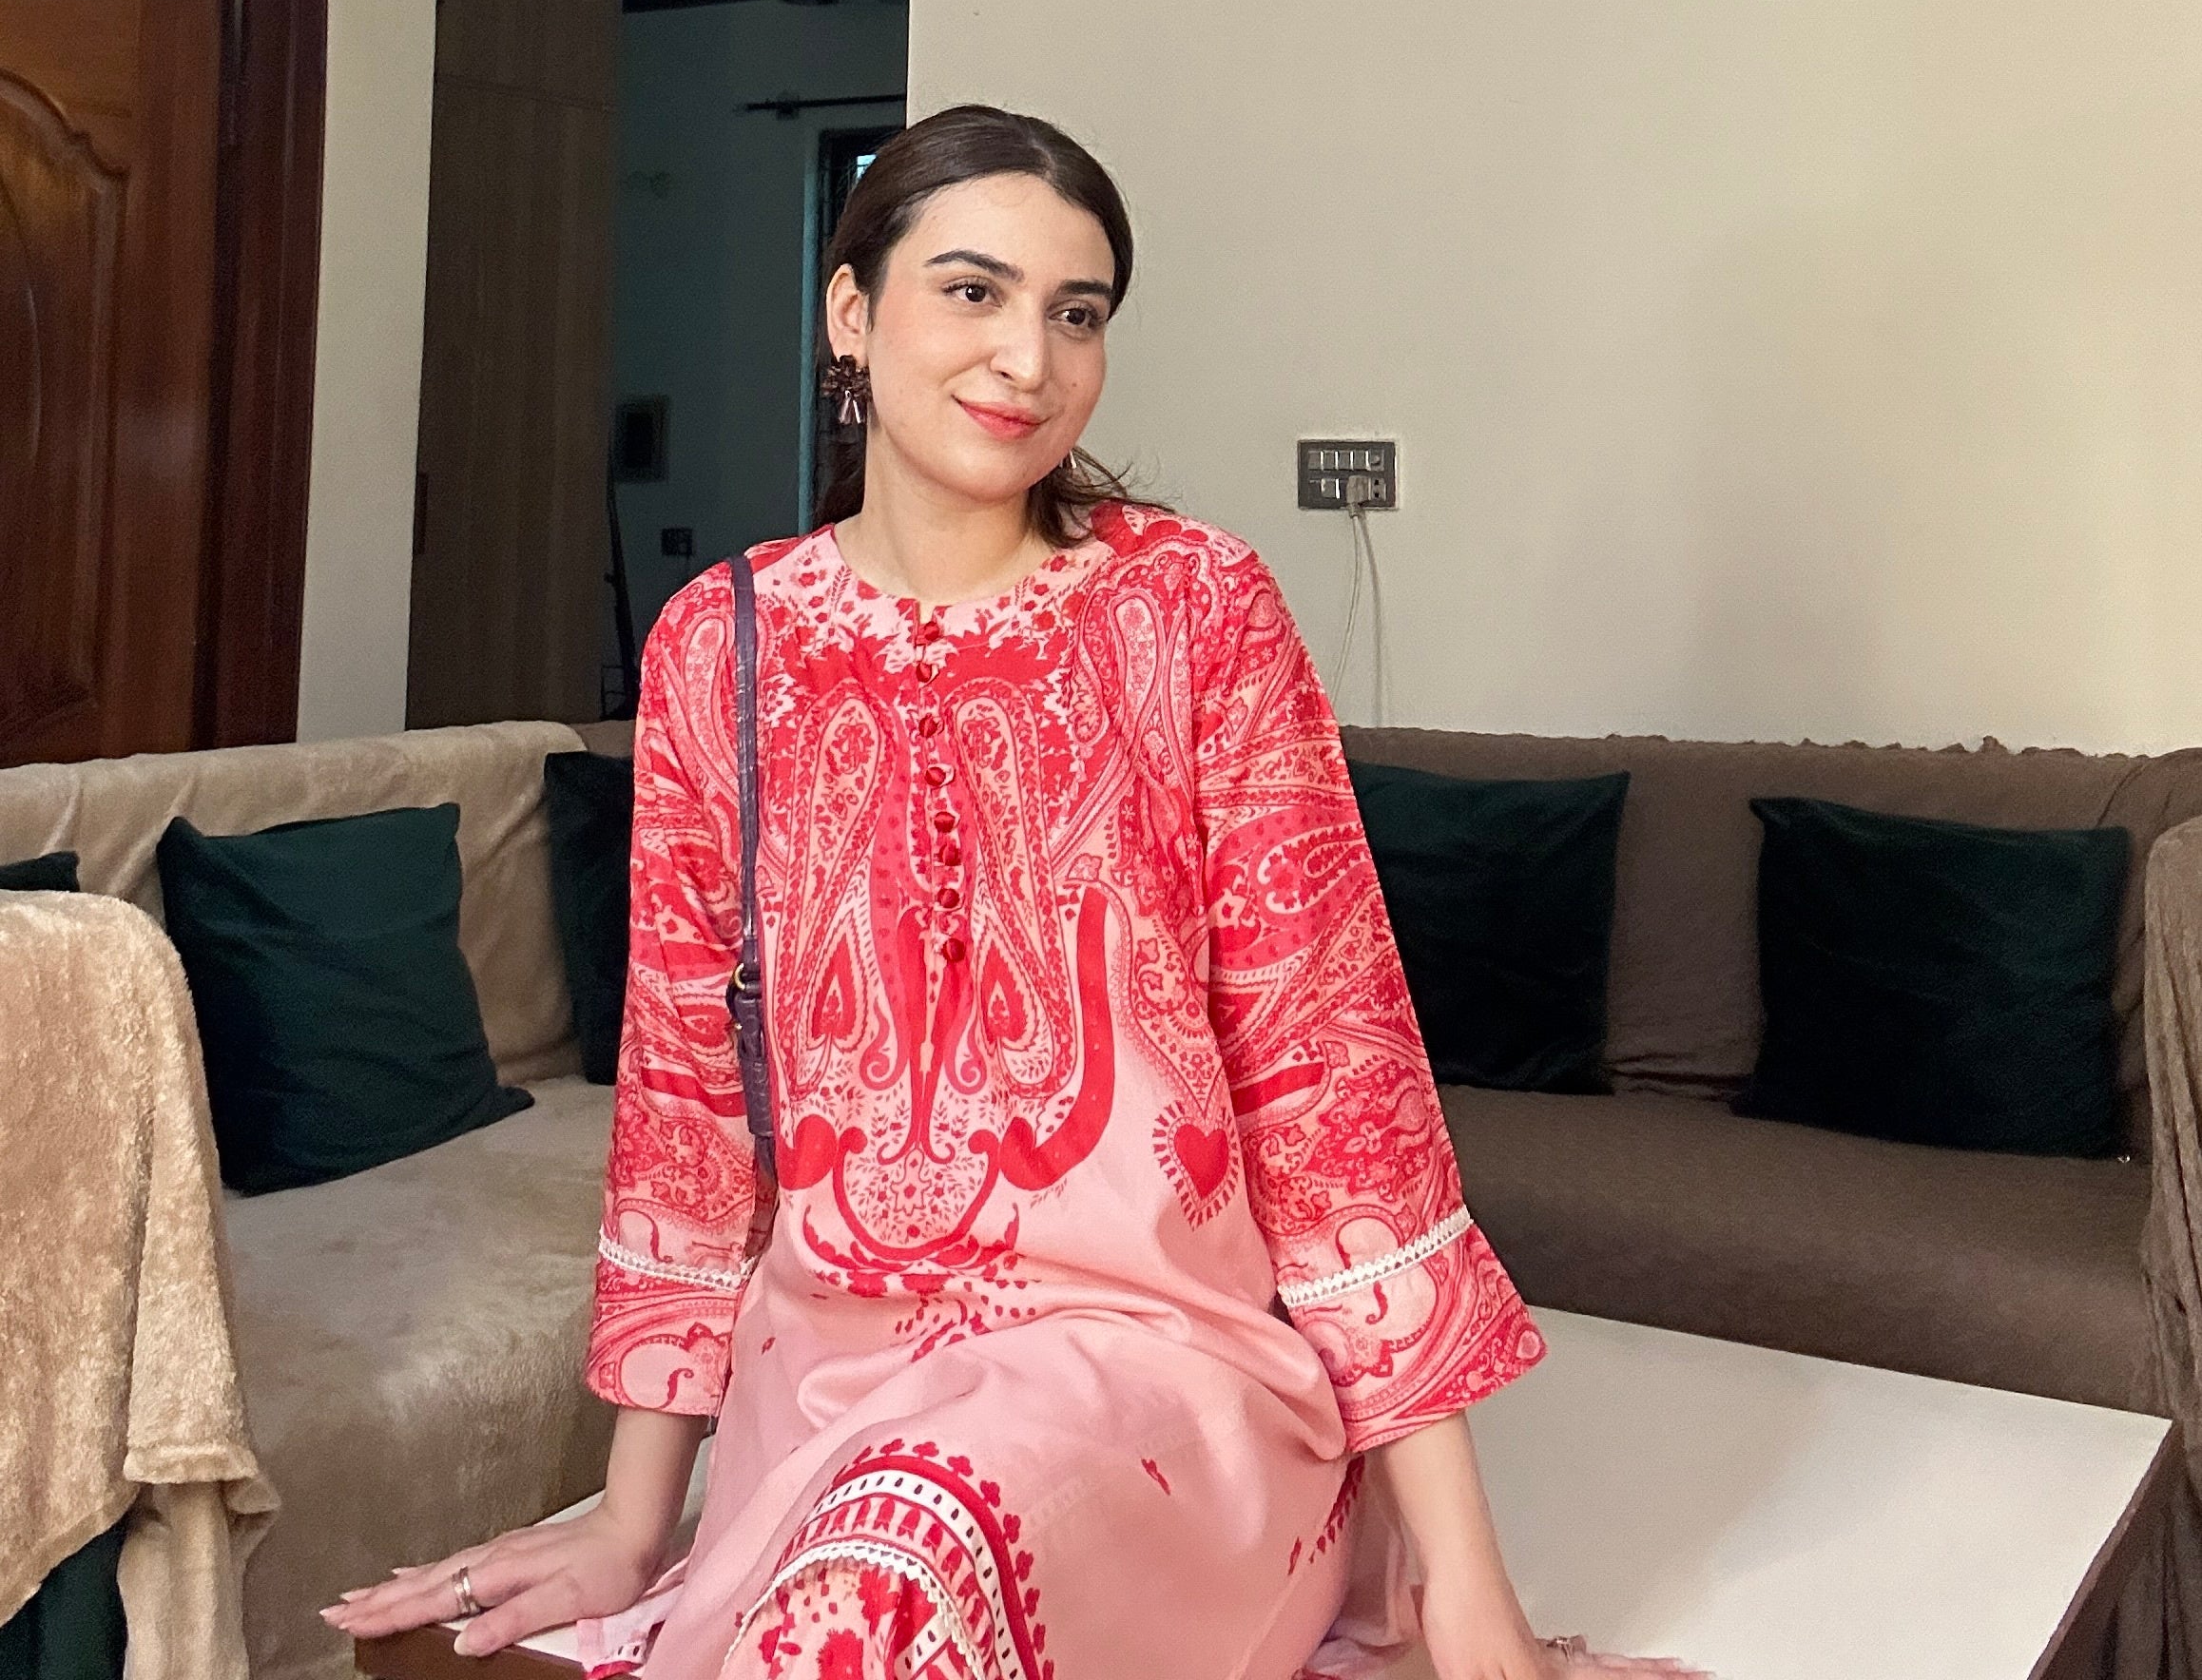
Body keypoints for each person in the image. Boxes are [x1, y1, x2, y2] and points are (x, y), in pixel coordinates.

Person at [327, 106, 1693, 1680]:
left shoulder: (1195, 611)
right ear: (852, 311)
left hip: (1157, 1378)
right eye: (973, 291)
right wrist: (637, 1523)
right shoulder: (720, 645)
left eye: (1077, 313)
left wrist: (1461, 1590)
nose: (1029, 359)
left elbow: (1333, 1091)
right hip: (830, 1382)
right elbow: (690, 1111)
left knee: (889, 1592)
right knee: (859, 1585)